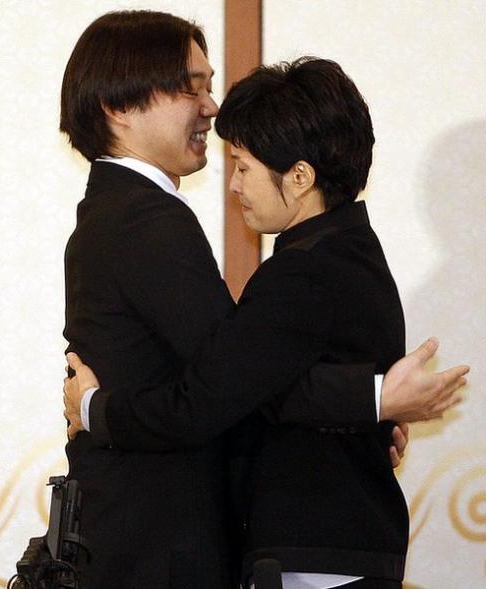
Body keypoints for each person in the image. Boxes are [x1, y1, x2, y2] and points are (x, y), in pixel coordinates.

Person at [58, 11, 467, 589]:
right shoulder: (144, 219)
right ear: (120, 105)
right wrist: (370, 400)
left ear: (299, 177)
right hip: (159, 543)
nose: (211, 105)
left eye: (210, 83)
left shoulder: (297, 259)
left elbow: (235, 380)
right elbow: (233, 382)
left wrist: (370, 408)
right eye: (191, 86)